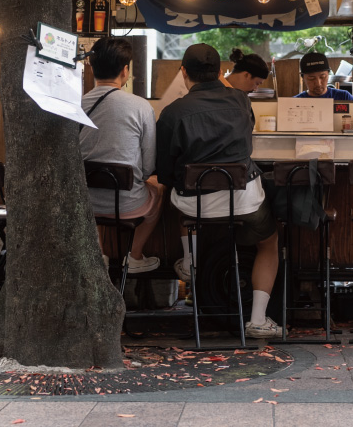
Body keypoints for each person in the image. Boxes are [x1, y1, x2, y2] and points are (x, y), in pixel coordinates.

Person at [156, 43, 282, 338]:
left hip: (193, 205)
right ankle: (258, 320)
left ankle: (189, 262)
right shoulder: (241, 101)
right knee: (269, 242)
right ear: (219, 71)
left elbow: (164, 171)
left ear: (183, 72)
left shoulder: (173, 112)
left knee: (174, 196)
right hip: (243, 201)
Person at [80, 37, 163, 273]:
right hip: (128, 204)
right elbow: (148, 167)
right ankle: (135, 256)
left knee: (88, 187)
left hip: (85, 203)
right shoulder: (141, 107)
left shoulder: (76, 104)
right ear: (125, 71)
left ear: (92, 68)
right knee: (158, 188)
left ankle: (98, 254)